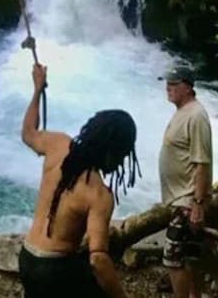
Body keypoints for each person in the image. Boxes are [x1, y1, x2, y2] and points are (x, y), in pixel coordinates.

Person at [19, 64, 139, 298]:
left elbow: (28, 133)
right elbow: (98, 259)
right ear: (111, 151)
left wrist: (36, 90)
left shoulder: (58, 145)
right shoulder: (99, 194)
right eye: (122, 155)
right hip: (55, 270)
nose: (120, 163)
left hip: (27, 259)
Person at [158, 66, 212, 298]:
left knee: (173, 259)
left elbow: (202, 162)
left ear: (188, 87)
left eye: (174, 83)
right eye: (167, 82)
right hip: (182, 200)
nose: (168, 87)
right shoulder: (184, 111)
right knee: (189, 256)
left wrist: (198, 203)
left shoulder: (196, 116)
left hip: (188, 201)